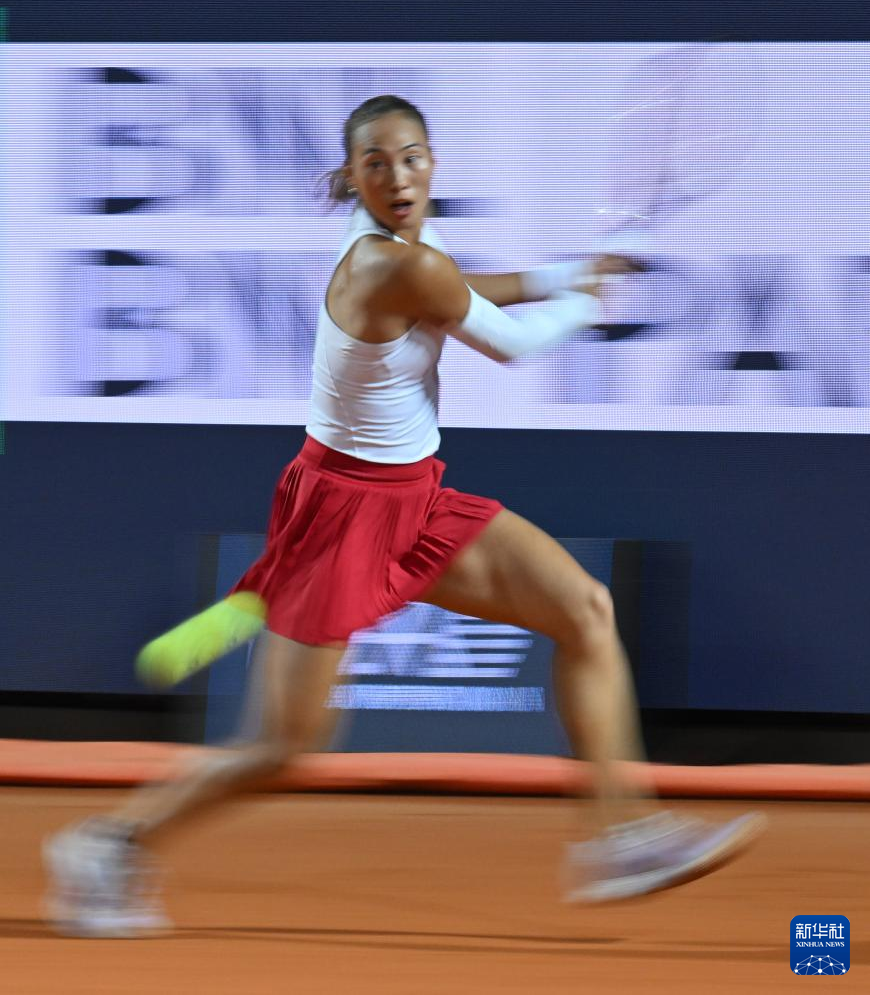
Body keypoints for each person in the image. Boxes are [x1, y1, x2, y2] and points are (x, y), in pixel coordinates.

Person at [43, 95, 764, 937]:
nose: (398, 176)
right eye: (377, 163)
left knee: (585, 611)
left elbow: (458, 289)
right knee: (284, 744)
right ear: (352, 176)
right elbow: (509, 341)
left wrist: (569, 272)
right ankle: (110, 845)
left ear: (432, 162)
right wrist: (584, 302)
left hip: (412, 500)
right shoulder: (387, 262)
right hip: (344, 515)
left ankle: (623, 836)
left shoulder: (415, 248)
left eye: (411, 157)